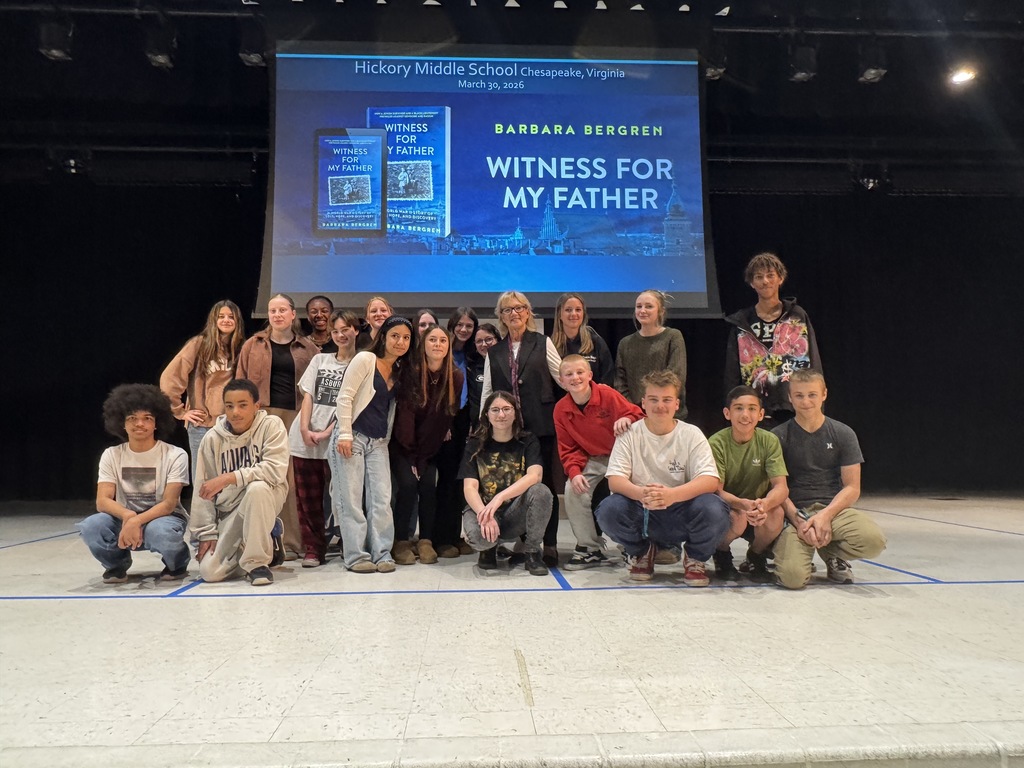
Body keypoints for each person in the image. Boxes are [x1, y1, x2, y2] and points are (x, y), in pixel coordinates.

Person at [595, 370, 730, 585]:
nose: (660, 405)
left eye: (667, 399)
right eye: (654, 399)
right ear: (643, 403)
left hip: (681, 509)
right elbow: (615, 480)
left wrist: (672, 495)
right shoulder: (629, 434)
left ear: (677, 404)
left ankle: (695, 557)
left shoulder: (691, 433)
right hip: (643, 509)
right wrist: (641, 493)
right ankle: (642, 552)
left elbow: (709, 479)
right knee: (608, 510)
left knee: (715, 508)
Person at [771, 369, 886, 589]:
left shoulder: (843, 434)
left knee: (874, 541)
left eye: (812, 395)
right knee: (792, 579)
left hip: (833, 510)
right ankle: (790, 551)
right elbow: (777, 488)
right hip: (797, 514)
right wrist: (799, 521)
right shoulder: (778, 436)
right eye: (799, 395)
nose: (806, 401)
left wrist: (825, 516)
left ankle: (832, 553)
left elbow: (852, 487)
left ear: (824, 394)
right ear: (790, 397)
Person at [481, 290, 564, 566]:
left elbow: (563, 378)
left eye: (519, 308)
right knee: (513, 485)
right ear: (501, 317)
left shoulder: (543, 342)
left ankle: (549, 544)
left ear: (528, 312)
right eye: (507, 310)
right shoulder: (494, 352)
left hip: (541, 427)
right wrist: (483, 426)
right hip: (508, 431)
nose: (513, 313)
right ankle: (525, 543)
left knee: (545, 485)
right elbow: (488, 392)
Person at [78, 384, 191, 584]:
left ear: (157, 423)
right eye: (132, 418)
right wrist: (129, 516)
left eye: (147, 418)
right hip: (124, 519)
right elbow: (102, 501)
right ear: (122, 422)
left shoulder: (175, 455)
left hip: (164, 518)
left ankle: (177, 563)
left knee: (161, 533)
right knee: (91, 527)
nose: (140, 424)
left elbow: (169, 503)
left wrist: (137, 521)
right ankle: (116, 566)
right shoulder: (112, 455)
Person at [236, 293, 318, 560]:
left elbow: (316, 391)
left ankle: (292, 542)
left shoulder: (309, 348)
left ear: (293, 314)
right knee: (261, 479)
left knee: (291, 481)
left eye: (283, 310)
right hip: (261, 418)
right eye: (273, 311)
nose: (278, 315)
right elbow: (240, 384)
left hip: (296, 418)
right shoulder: (252, 345)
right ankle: (258, 540)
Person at [331, 315, 415, 572]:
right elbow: (345, 397)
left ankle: (382, 553)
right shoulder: (365, 359)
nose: (400, 342)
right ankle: (356, 556)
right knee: (351, 500)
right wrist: (344, 433)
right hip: (352, 437)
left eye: (406, 338)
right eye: (395, 336)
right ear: (384, 337)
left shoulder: (401, 370)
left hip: (378, 442)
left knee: (381, 499)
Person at [190, 379, 289, 586]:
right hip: (232, 509)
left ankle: (257, 564)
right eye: (229, 406)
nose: (235, 412)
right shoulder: (212, 439)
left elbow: (275, 470)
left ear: (256, 406)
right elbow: (204, 490)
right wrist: (206, 533)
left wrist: (229, 477)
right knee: (210, 572)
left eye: (243, 405)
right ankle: (266, 540)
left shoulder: (271, 426)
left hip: (266, 497)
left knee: (257, 488)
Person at [553, 355, 644, 570]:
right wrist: (574, 472)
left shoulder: (607, 395)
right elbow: (568, 449)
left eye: (579, 372)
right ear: (562, 381)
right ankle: (589, 548)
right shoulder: (561, 410)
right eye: (569, 374)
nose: (575, 377)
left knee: (621, 496)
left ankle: (630, 546)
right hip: (591, 458)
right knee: (573, 490)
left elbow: (638, 414)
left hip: (621, 456)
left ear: (589, 375)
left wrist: (627, 418)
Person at [288, 309, 359, 567]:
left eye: (346, 329)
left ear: (356, 330)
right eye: (336, 330)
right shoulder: (320, 360)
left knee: (344, 497)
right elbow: (307, 395)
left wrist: (328, 432)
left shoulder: (361, 363)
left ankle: (347, 543)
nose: (340, 335)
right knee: (308, 499)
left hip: (338, 439)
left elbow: (353, 404)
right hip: (305, 439)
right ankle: (313, 548)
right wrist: (305, 429)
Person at [391, 324, 464, 565]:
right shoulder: (410, 372)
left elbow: (444, 419)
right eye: (432, 340)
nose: (438, 344)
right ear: (423, 344)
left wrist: (424, 459)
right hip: (404, 445)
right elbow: (405, 420)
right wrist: (413, 458)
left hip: (430, 447)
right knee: (409, 484)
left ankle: (426, 540)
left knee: (429, 485)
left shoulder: (455, 376)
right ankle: (401, 540)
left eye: (443, 341)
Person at [460, 391, 553, 576]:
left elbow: (535, 476)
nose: (501, 415)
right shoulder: (475, 443)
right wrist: (484, 513)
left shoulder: (527, 440)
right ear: (486, 414)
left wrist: (500, 498)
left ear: (515, 413)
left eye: (506, 409)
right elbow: (469, 487)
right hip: (483, 510)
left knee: (541, 491)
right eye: (495, 410)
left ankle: (532, 552)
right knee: (480, 538)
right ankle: (488, 549)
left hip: (513, 512)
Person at [724, 252, 821, 427]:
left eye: (770, 276)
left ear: (780, 279)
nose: (765, 281)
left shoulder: (797, 315)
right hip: (756, 412)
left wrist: (817, 404)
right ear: (752, 283)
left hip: (794, 407)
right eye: (759, 277)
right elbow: (732, 373)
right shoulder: (741, 322)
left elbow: (813, 360)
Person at [160, 300, 245, 485]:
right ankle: (202, 516)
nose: (226, 320)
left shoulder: (242, 348)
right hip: (202, 424)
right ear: (213, 320)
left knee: (231, 479)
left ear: (238, 321)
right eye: (221, 316)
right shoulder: (199, 344)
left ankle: (229, 515)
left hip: (233, 424)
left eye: (231, 317)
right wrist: (180, 411)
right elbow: (170, 378)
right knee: (203, 479)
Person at [708, 386, 788, 582]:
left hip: (756, 509)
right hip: (728, 509)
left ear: (761, 414)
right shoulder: (716, 442)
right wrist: (743, 505)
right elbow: (715, 490)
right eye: (739, 408)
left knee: (776, 512)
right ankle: (721, 552)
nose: (746, 414)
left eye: (752, 409)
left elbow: (781, 486)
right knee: (739, 517)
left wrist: (764, 505)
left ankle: (756, 555)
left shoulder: (769, 441)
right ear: (727, 413)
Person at [431, 307, 480, 558]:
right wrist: (445, 423)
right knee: (445, 482)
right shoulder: (441, 351)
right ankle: (440, 538)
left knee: (461, 481)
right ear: (451, 325)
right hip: (444, 421)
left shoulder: (473, 356)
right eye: (459, 324)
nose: (463, 329)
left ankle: (455, 535)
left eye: (469, 326)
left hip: (466, 423)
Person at [615, 289, 688, 420]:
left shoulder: (673, 336)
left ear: (661, 311)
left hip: (668, 413)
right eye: (639, 306)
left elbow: (676, 376)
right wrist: (634, 410)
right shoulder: (625, 343)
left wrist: (655, 404)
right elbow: (620, 382)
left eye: (649, 306)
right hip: (635, 415)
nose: (642, 310)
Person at [550, 293, 614, 386]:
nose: (574, 314)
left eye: (578, 310)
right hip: (561, 400)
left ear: (583, 314)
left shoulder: (596, 342)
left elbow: (608, 377)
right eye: (568, 310)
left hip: (594, 399)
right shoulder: (551, 346)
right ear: (559, 314)